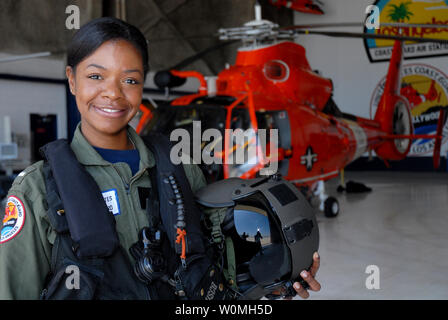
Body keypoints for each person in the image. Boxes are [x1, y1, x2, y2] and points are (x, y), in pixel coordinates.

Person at [0, 17, 320, 300]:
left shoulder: (178, 168)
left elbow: (215, 273)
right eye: (96, 77)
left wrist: (275, 280)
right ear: (72, 80)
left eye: (130, 80)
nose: (113, 93)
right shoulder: (38, 189)